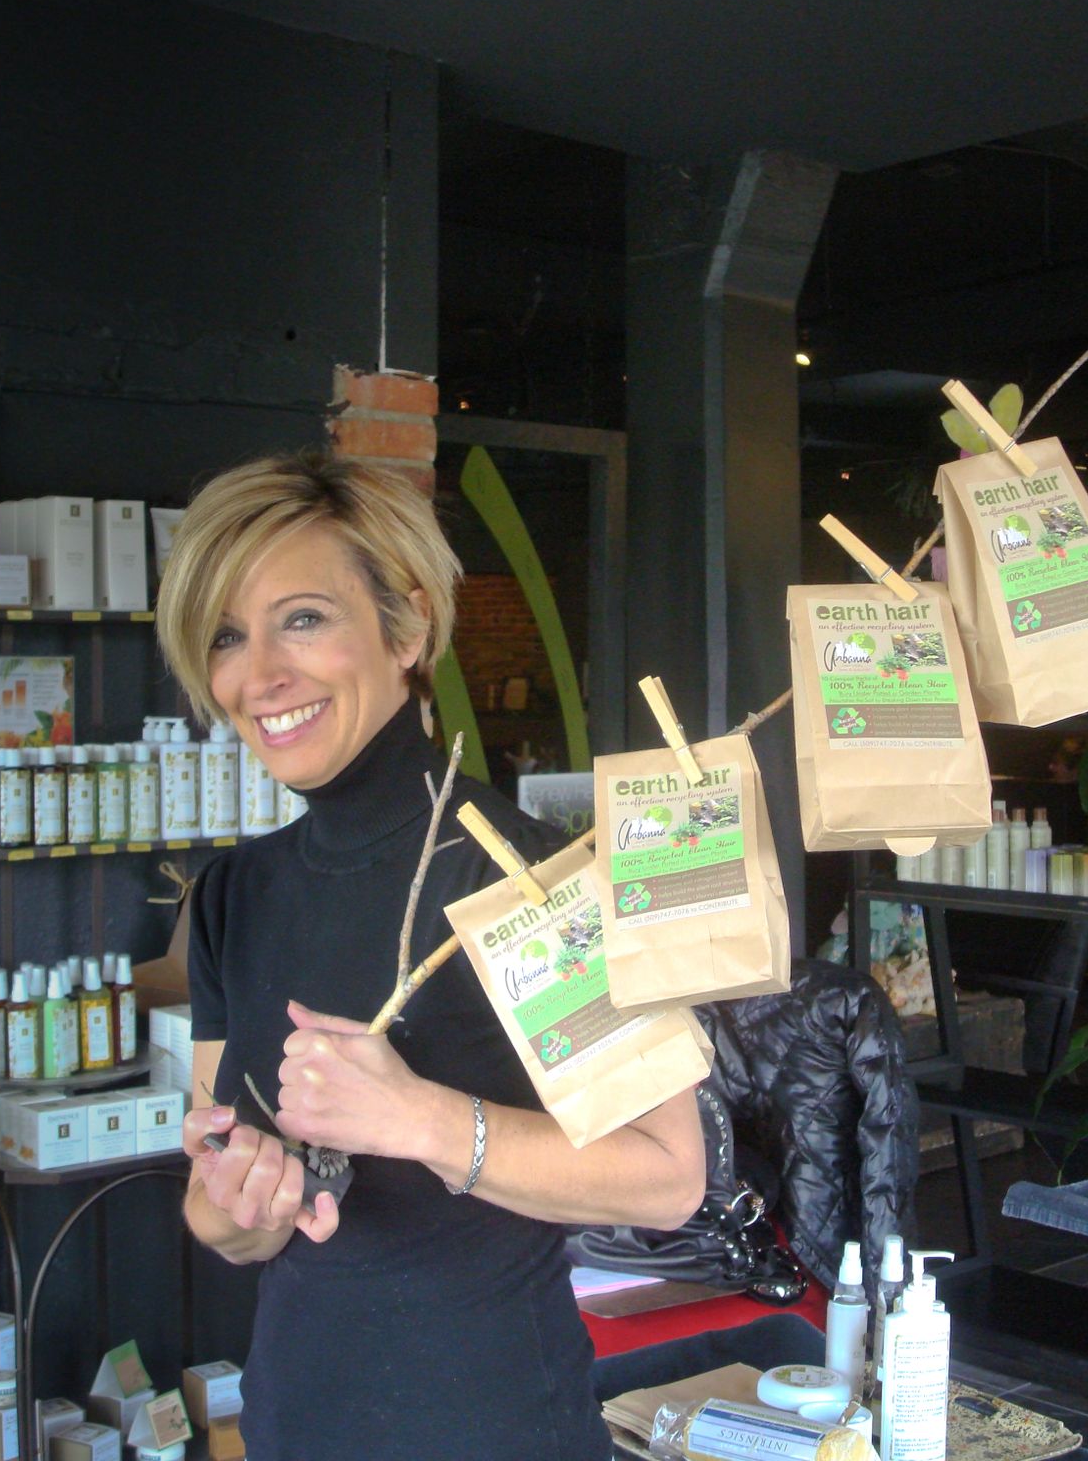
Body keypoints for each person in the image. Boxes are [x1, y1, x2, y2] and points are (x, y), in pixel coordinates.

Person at [156, 450, 704, 1461]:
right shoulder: (235, 896)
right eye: (227, 635)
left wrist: (420, 1119)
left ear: (406, 629)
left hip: (492, 1429)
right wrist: (242, 1202)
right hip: (292, 1426)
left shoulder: (529, 878)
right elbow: (218, 1206)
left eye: (302, 618)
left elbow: (668, 1174)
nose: (259, 673)